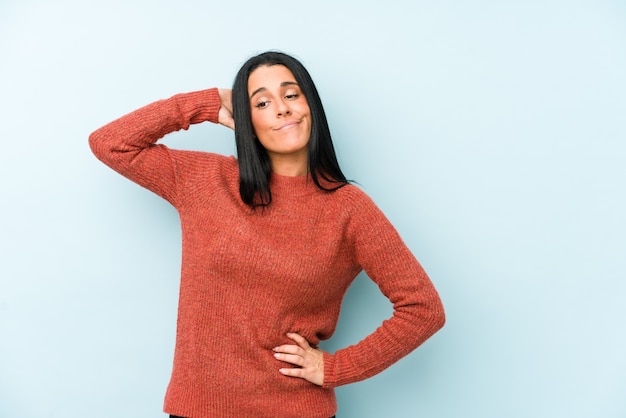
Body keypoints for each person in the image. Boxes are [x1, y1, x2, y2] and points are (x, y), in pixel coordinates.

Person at [89, 51, 445, 418]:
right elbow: (111, 143)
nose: (281, 109)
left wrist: (336, 368)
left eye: (291, 95)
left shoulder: (349, 209)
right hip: (197, 408)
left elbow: (423, 309)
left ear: (311, 106)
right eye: (262, 102)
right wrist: (209, 103)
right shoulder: (203, 181)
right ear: (247, 118)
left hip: (295, 409)